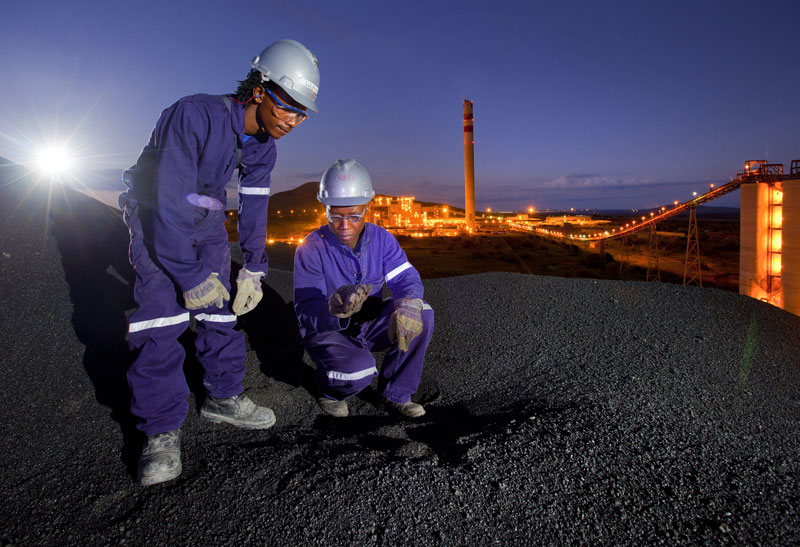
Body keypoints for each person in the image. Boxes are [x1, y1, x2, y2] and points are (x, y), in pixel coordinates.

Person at [118, 39, 320, 486]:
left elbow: (252, 205)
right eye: (288, 107)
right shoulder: (192, 114)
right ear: (261, 89)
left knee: (221, 307)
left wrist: (254, 265)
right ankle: (160, 431)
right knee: (161, 317)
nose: (293, 121)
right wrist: (188, 274)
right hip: (154, 210)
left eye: (301, 114)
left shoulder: (264, 145)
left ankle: (223, 397)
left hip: (206, 215)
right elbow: (168, 200)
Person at [293, 159, 434, 419]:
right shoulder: (311, 249)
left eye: (354, 216)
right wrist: (333, 310)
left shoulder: (382, 239)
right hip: (328, 332)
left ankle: (396, 395)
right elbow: (305, 312)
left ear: (366, 209)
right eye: (336, 217)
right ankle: (331, 392)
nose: (344, 225)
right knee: (358, 372)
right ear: (325, 210)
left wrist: (409, 301)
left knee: (420, 312)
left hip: (368, 324)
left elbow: (404, 277)